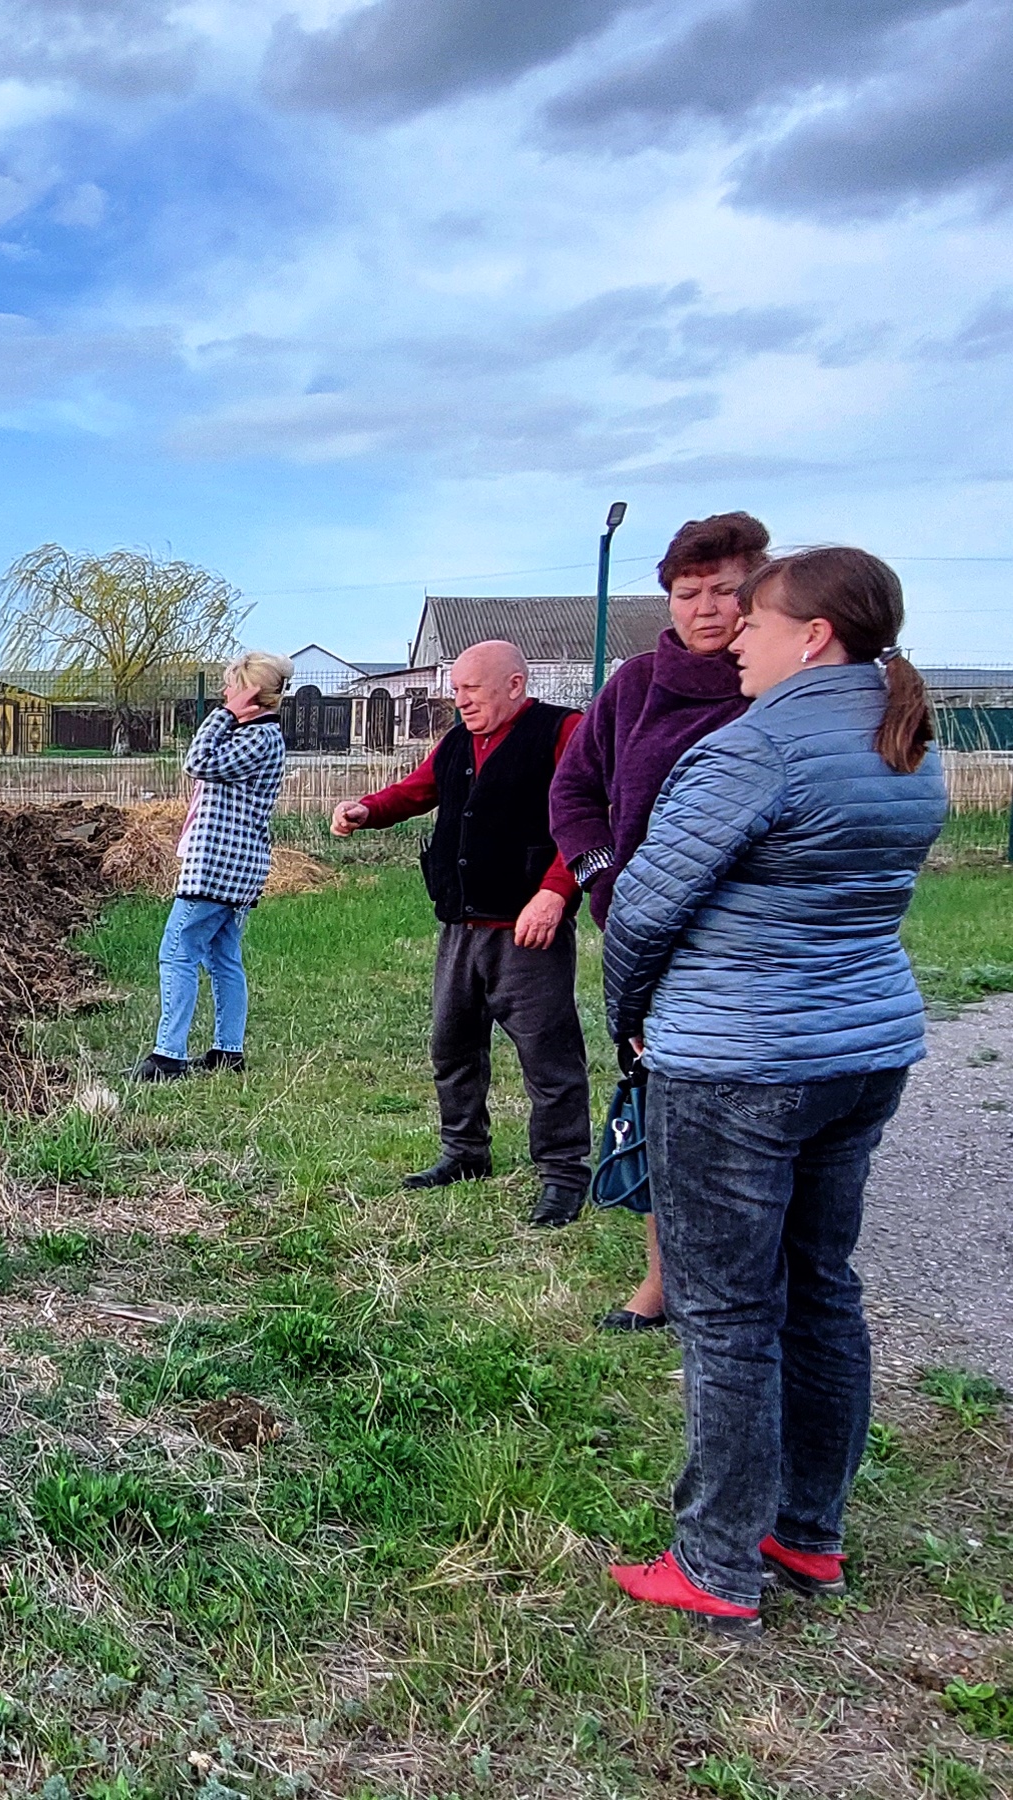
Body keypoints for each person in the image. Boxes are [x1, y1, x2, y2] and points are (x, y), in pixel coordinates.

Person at [599, 546, 945, 1638]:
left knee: (727, 1312)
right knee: (819, 1288)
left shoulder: (753, 750)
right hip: (860, 1052)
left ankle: (713, 1561)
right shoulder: (906, 744)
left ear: (813, 638)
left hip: (735, 1063)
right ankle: (805, 1529)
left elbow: (645, 908)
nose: (731, 636)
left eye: (751, 621)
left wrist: (631, 1022)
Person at [550, 511, 769, 1332]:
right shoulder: (635, 686)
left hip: (747, 938)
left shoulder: (777, 687)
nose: (708, 608)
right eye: (688, 592)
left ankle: (751, 1280)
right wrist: (601, 880)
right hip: (647, 936)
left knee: (751, 1113)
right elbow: (573, 792)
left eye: (725, 590)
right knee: (658, 1101)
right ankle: (662, 1280)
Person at [331, 641, 589, 1226]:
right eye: (456, 688)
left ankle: (564, 1174)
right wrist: (367, 809)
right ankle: (465, 1153)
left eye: (471, 688)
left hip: (528, 930)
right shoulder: (456, 742)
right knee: (452, 1047)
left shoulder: (561, 731)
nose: (459, 698)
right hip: (460, 924)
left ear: (515, 686)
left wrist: (555, 893)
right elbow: (420, 789)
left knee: (549, 1059)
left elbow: (585, 815)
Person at [133, 651, 290, 1082]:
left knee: (177, 952)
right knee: (223, 956)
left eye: (231, 686)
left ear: (250, 693)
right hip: (238, 867)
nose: (224, 692)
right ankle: (228, 1050)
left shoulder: (257, 739)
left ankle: (168, 1055)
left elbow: (197, 763)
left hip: (218, 867)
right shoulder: (259, 738)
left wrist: (223, 715)